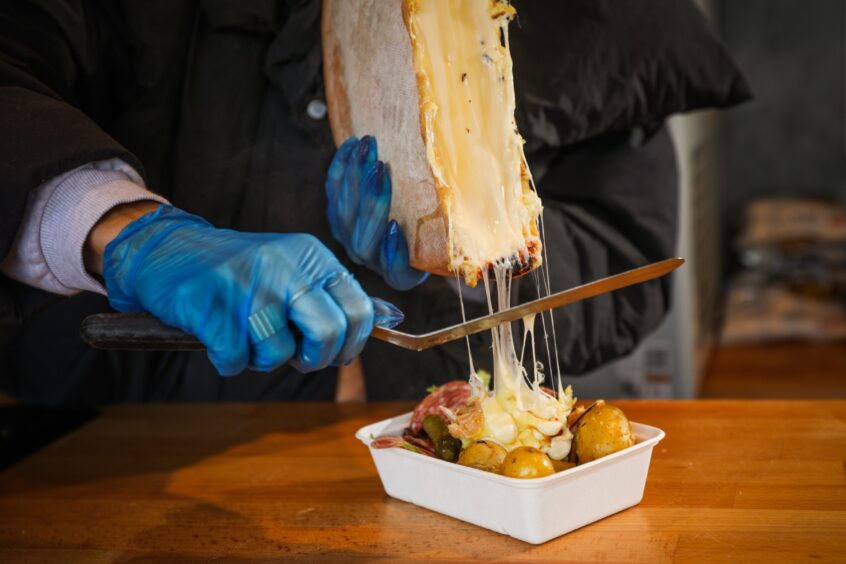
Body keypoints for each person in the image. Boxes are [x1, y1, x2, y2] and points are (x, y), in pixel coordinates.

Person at [0, 1, 735, 406]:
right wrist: (121, 227)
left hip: (392, 431)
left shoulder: (590, 24)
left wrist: (455, 266)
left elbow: (627, 252)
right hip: (105, 436)